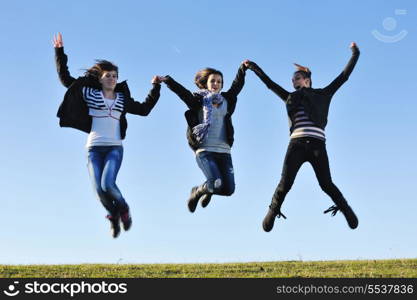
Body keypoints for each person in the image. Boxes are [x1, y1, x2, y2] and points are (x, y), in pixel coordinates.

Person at [53, 33, 161, 238]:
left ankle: (124, 209)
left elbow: (145, 109)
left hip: (114, 148)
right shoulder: (89, 93)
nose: (112, 78)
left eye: (114, 76)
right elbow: (66, 79)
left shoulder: (122, 98)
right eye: (108, 75)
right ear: (100, 78)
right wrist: (59, 52)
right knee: (99, 192)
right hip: (93, 148)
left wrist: (155, 88)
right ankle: (113, 216)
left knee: (108, 185)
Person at [245, 42, 360, 232]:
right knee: (285, 183)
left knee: (326, 184)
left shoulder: (323, 94)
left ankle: (346, 209)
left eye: (297, 78)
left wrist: (355, 53)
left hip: (317, 145)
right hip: (296, 145)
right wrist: (253, 67)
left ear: (306, 80)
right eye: (292, 80)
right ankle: (272, 211)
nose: (293, 82)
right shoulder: (290, 98)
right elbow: (269, 84)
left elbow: (344, 77)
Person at [155, 62, 247, 212]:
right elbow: (182, 92)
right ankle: (197, 192)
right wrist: (168, 81)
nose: (216, 84)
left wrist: (243, 69)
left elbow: (237, 86)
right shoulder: (198, 100)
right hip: (205, 150)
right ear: (206, 84)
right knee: (215, 182)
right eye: (213, 81)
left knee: (228, 189)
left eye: (219, 81)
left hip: (224, 150)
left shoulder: (227, 100)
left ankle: (208, 190)